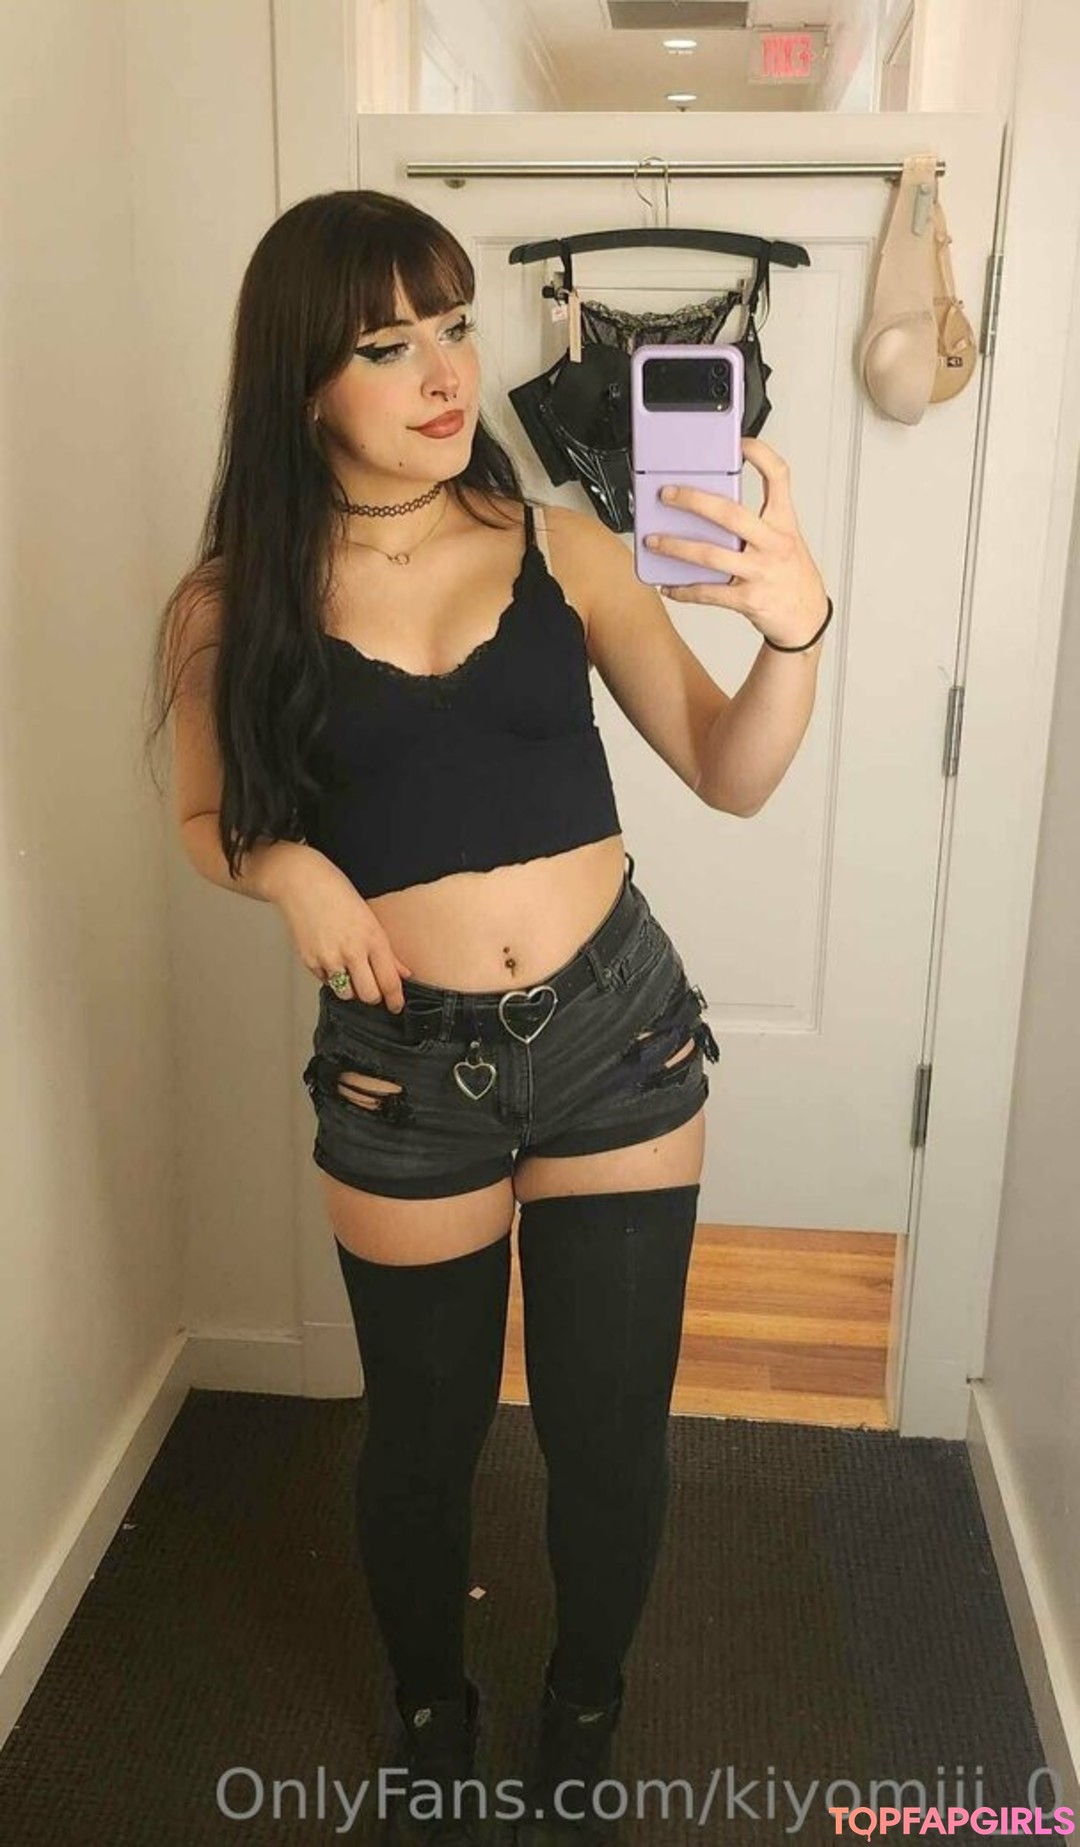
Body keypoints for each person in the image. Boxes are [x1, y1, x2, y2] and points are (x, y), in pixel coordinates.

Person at [145, 189, 830, 1847]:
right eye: (389, 345)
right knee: (421, 1447)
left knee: (609, 1444)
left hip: (619, 1046)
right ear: (303, 379)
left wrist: (797, 628)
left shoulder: (564, 548)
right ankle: (430, 1711)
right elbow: (206, 819)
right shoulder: (229, 603)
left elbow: (730, 771)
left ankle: (583, 1708)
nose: (448, 373)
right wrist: (287, 868)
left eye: (454, 326)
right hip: (405, 1078)